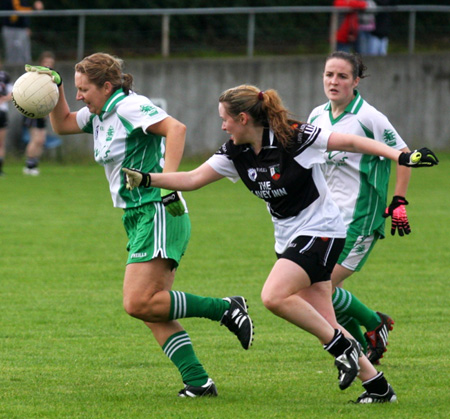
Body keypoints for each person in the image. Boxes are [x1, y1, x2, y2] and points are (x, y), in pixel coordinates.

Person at [122, 84, 437, 403]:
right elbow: (192, 179)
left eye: (225, 119)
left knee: (273, 296)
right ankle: (379, 388)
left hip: (322, 230)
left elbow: (353, 142)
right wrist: (149, 178)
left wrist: (399, 154)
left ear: (243, 118)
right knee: (324, 322)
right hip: (289, 237)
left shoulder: (293, 137)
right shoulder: (236, 151)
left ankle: (341, 349)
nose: (222, 126)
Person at [33, 52, 254, 398]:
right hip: (136, 215)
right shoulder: (101, 112)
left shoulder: (127, 107)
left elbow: (175, 128)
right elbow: (61, 123)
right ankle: (198, 381)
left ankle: (225, 308)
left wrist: (167, 181)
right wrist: (55, 88)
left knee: (138, 302)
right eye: (75, 89)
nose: (79, 97)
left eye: (83, 89)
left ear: (107, 86)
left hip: (158, 209)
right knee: (152, 307)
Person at [307, 51, 416, 364]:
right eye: (329, 74)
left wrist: (399, 201)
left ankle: (372, 324)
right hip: (324, 218)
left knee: (318, 287)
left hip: (360, 218)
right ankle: (363, 338)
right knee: (315, 289)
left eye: (342, 76)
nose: (334, 81)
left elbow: (404, 154)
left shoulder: (369, 117)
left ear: (356, 81)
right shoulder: (317, 115)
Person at [23, 51, 58, 176]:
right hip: (33, 111)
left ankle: (34, 164)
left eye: (51, 63)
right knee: (36, 139)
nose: (48, 65)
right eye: (46, 63)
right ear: (41, 63)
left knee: (42, 140)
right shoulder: (35, 76)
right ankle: (29, 165)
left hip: (44, 113)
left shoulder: (52, 78)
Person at [1, 0, 44, 65]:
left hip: (22, 29)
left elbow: (24, 11)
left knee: (24, 54)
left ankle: (26, 72)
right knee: (13, 54)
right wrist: (34, 8)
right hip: (10, 28)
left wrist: (26, 26)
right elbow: (18, 9)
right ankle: (13, 72)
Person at [0, 58, 12, 176]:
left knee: (1, 142)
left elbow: (13, 93)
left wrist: (3, 99)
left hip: (1, 112)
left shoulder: (5, 76)